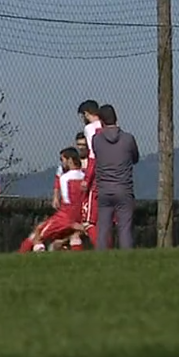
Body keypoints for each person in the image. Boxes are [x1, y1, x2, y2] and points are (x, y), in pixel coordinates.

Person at [90, 104, 139, 250]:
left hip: (104, 189)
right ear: (116, 118)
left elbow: (97, 155)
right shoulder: (128, 139)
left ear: (101, 121)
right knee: (124, 228)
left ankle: (101, 257)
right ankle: (126, 258)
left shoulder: (96, 140)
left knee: (103, 228)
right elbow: (135, 158)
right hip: (124, 188)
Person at [20, 148, 88, 252]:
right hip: (82, 215)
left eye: (62, 159)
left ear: (69, 160)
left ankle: (25, 254)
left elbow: (67, 200)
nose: (62, 163)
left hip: (65, 217)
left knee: (38, 232)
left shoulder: (65, 178)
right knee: (71, 238)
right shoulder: (85, 177)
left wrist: (71, 223)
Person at [78, 100, 103, 247]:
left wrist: (87, 179)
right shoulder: (106, 126)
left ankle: (101, 249)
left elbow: (93, 155)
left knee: (89, 221)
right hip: (113, 175)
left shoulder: (90, 129)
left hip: (97, 177)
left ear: (86, 114)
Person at [52, 132, 88, 210]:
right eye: (79, 144)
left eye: (83, 145)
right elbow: (57, 181)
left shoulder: (91, 162)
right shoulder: (66, 165)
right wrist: (56, 197)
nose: (81, 147)